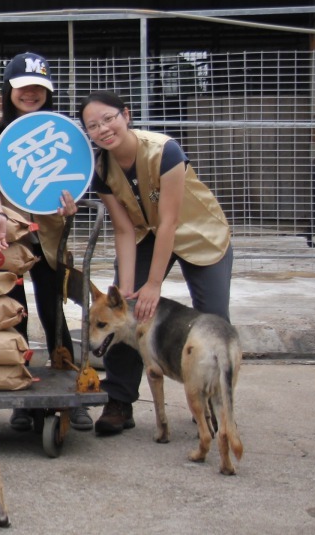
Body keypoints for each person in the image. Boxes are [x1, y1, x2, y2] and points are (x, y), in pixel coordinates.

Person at [79, 90, 233, 436]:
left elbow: (170, 223)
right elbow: (122, 229)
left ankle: (211, 401)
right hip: (145, 233)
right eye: (93, 125)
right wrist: (129, 291)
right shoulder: (101, 168)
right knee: (125, 317)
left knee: (213, 319)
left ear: (126, 115)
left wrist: (154, 285)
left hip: (199, 234)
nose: (103, 129)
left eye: (108, 118)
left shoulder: (165, 150)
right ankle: (119, 400)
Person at [0, 52, 91, 432]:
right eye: (23, 87)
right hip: (8, 235)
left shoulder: (64, 129)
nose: (31, 94)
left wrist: (72, 204)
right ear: (8, 88)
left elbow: (75, 177)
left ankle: (72, 397)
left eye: (39, 88)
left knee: (54, 312)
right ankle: (20, 394)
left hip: (51, 237)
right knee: (14, 313)